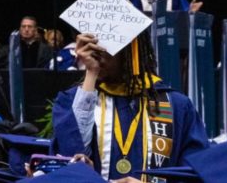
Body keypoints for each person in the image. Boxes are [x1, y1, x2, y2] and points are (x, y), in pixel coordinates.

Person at [51, 31, 209, 182]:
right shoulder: (74, 101)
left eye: (103, 48)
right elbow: (68, 157)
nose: (95, 54)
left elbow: (195, 172)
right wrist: (91, 73)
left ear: (130, 51)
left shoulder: (175, 105)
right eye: (90, 46)